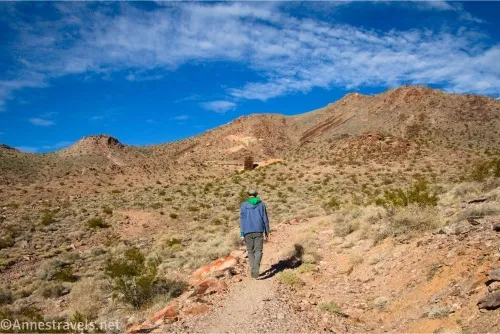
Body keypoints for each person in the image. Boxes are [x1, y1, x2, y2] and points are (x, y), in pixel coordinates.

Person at [240, 189, 270, 279]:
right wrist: (267, 232)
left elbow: (242, 220)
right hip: (259, 230)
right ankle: (256, 268)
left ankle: (253, 269)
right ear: (256, 195)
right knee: (258, 251)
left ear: (248, 195)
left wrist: (242, 233)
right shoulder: (261, 204)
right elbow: (265, 218)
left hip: (247, 231)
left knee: (250, 251)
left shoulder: (244, 205)